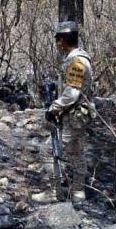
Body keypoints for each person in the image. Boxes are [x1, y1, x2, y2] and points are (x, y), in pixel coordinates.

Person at [43, 20, 95, 202]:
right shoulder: (79, 59)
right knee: (76, 152)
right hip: (77, 115)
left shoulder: (77, 62)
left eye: (58, 39)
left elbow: (72, 93)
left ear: (64, 39)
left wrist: (54, 108)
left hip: (73, 115)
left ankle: (54, 191)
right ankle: (78, 192)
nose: (57, 43)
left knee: (49, 150)